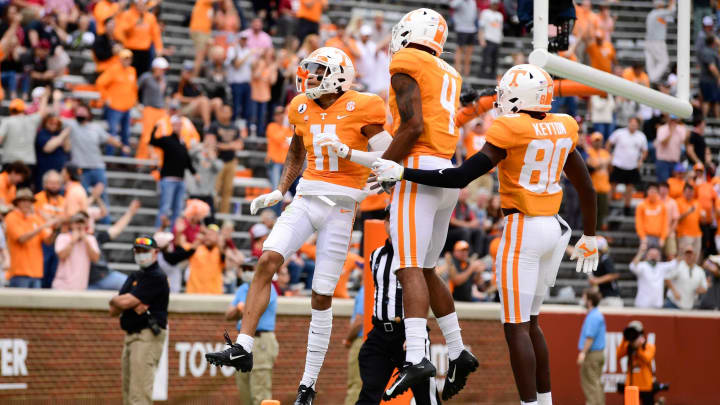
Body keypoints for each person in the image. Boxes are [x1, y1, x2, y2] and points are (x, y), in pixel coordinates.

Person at [372, 62, 598, 405]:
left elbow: (460, 176)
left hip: (523, 228)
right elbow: (586, 187)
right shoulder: (564, 126)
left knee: (516, 328)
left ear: (522, 97)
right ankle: (545, 401)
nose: (502, 101)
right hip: (554, 229)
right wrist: (591, 235)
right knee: (533, 324)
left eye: (508, 94)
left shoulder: (510, 128)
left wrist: (405, 172)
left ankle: (529, 404)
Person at [204, 47, 390, 404]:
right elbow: (295, 152)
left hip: (340, 208)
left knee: (321, 295)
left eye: (319, 72)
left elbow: (389, 154)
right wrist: (279, 189)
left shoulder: (362, 106)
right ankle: (244, 345)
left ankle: (307, 384)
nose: (311, 79)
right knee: (267, 259)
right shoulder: (301, 106)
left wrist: (349, 153)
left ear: (339, 74)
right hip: (305, 198)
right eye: (311, 72)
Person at [357, 208, 441, 404]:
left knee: (425, 397)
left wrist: (416, 333)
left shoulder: (418, 255)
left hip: (408, 333)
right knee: (368, 394)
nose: (392, 225)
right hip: (379, 333)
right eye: (389, 220)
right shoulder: (375, 256)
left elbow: (425, 293)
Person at [109, 236, 169, 405]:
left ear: (156, 253)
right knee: (128, 393)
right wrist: (120, 300)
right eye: (138, 251)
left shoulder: (157, 276)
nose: (141, 255)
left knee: (139, 395)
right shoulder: (135, 276)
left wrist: (124, 301)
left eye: (145, 251)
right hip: (130, 337)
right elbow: (114, 309)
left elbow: (124, 302)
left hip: (146, 337)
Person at [225, 259, 279, 405]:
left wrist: (243, 308)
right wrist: (237, 309)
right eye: (245, 268)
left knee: (260, 392)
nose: (247, 272)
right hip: (243, 342)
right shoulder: (243, 288)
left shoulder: (268, 287)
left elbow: (256, 310)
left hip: (261, 340)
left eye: (250, 268)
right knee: (244, 391)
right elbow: (229, 314)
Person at [5, 188, 60, 288]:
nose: (27, 204)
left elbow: (48, 241)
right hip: (19, 272)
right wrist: (43, 226)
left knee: (36, 303)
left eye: (29, 201)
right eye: (24, 201)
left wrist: (55, 230)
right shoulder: (11, 217)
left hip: (36, 272)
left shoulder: (35, 219)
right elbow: (21, 239)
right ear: (17, 202)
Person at [149, 118, 198, 229]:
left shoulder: (182, 143)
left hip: (180, 180)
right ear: (172, 126)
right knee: (165, 207)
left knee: (178, 209)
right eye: (176, 125)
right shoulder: (167, 140)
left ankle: (173, 233)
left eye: (180, 125)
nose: (178, 127)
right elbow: (152, 141)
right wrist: (155, 128)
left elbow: (186, 160)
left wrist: (194, 172)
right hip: (168, 179)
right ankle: (159, 231)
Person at [88, 200, 141, 290]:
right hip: (85, 283)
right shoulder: (68, 238)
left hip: (104, 276)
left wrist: (130, 212)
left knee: (134, 286)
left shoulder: (95, 237)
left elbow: (115, 230)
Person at [96, 49, 137, 152]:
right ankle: (110, 157)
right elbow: (100, 83)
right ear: (120, 59)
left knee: (126, 133)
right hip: (114, 107)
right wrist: (106, 98)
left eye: (129, 59)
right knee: (113, 132)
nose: (127, 61)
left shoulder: (132, 71)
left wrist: (134, 101)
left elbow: (133, 88)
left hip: (127, 107)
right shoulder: (113, 69)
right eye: (125, 58)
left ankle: (124, 159)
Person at [608, 117, 648, 216]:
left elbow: (645, 151)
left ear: (638, 125)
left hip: (632, 166)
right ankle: (609, 205)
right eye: (631, 123)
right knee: (612, 185)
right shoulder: (619, 133)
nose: (633, 125)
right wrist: (610, 156)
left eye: (635, 124)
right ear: (628, 123)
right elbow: (609, 143)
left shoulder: (641, 136)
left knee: (630, 188)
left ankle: (627, 208)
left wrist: (640, 161)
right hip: (618, 164)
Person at [0, 91, 50, 170]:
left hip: (10, 161)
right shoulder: (31, 120)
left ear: (10, 110)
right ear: (23, 109)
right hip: (28, 162)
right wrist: (45, 98)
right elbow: (42, 112)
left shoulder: (7, 121)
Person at [209, 105, 244, 213]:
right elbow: (211, 143)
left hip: (231, 161)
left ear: (231, 113)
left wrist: (223, 145)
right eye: (222, 111)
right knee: (215, 189)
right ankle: (213, 215)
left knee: (227, 191)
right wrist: (231, 145)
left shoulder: (235, 127)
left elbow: (240, 145)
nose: (224, 113)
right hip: (218, 161)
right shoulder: (214, 126)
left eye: (227, 111)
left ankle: (224, 216)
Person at [114, 0, 163, 77]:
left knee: (143, 75)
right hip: (130, 50)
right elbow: (120, 31)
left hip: (145, 51)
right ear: (135, 4)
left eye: (143, 4)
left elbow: (156, 34)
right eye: (139, 4)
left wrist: (159, 48)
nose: (141, 6)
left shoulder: (150, 17)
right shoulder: (127, 15)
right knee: (129, 74)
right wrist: (134, 24)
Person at [52, 212, 100, 290]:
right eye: (76, 222)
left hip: (80, 287)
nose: (79, 225)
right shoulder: (62, 237)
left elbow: (95, 259)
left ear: (86, 225)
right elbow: (62, 256)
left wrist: (86, 241)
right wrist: (73, 241)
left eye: (82, 222)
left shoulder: (91, 239)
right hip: (61, 286)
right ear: (71, 225)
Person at [136, 57, 169, 160]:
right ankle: (141, 160)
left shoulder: (164, 80)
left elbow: (165, 96)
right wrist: (137, 104)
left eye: (164, 69)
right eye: (161, 69)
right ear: (155, 68)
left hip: (161, 110)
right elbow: (134, 89)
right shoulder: (147, 77)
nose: (162, 71)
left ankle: (157, 161)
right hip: (149, 109)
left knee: (161, 135)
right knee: (147, 135)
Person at [577, 289, 606, 405]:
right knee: (596, 384)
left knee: (590, 385)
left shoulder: (593, 317)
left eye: (584, 298)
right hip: (598, 354)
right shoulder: (597, 315)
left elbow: (590, 337)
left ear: (589, 301)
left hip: (592, 355)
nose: (582, 301)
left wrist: (583, 352)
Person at [616, 321, 656, 405]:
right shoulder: (628, 347)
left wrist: (639, 348)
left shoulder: (649, 346)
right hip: (631, 386)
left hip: (646, 386)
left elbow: (647, 358)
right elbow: (618, 355)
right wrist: (625, 338)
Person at [629, 243, 675, 308]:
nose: (654, 257)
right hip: (643, 304)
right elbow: (632, 266)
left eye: (656, 255)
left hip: (657, 304)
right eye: (651, 255)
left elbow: (675, 263)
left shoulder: (662, 266)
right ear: (647, 255)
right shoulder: (642, 266)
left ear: (659, 256)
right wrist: (641, 252)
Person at [664, 244, 707, 309]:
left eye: (691, 254)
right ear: (684, 255)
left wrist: (700, 290)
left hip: (688, 305)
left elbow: (704, 288)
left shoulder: (700, 270)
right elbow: (666, 278)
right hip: (673, 303)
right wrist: (674, 291)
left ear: (695, 255)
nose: (689, 256)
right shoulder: (678, 266)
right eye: (687, 254)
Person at [34, 114, 70, 190]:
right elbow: (48, 148)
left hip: (59, 173)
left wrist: (65, 135)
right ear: (45, 123)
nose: (54, 125)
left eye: (56, 123)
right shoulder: (42, 133)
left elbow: (67, 149)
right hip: (44, 173)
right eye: (51, 122)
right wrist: (63, 134)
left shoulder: (59, 134)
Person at [186, 224, 224, 294]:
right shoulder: (196, 248)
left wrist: (220, 244)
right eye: (207, 234)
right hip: (194, 293)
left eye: (212, 234)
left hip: (214, 294)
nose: (209, 237)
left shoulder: (220, 251)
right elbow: (182, 252)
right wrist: (198, 240)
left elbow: (227, 261)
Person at [249, 48, 278, 137]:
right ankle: (251, 132)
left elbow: (273, 81)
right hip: (254, 93)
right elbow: (255, 76)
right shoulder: (259, 63)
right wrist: (262, 67)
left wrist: (271, 69)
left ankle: (260, 133)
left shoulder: (273, 66)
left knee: (262, 116)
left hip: (265, 94)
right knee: (253, 115)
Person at [343, 286, 364, 405]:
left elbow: (359, 321)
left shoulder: (366, 289)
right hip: (374, 339)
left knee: (356, 384)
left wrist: (347, 339)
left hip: (361, 340)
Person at [586, 132, 611, 229]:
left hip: (604, 187)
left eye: (599, 141)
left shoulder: (605, 152)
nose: (597, 143)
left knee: (602, 212)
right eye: (595, 140)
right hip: (592, 187)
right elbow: (592, 165)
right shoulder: (588, 152)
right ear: (592, 141)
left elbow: (608, 166)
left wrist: (599, 164)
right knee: (592, 212)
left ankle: (600, 232)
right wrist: (602, 163)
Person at [226, 32, 253, 121]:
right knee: (236, 107)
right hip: (236, 83)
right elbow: (236, 65)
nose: (244, 41)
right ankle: (234, 125)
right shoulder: (232, 50)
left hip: (246, 83)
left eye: (245, 39)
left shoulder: (247, 50)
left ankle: (244, 129)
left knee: (247, 109)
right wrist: (248, 55)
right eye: (242, 39)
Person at [589, 237, 623, 307]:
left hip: (612, 298)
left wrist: (597, 280)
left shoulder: (605, 258)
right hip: (603, 297)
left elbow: (614, 275)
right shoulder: (597, 260)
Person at [654, 115, 686, 183]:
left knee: (674, 184)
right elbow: (663, 143)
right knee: (663, 184)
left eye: (674, 120)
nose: (673, 122)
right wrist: (671, 133)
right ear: (668, 119)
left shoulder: (681, 129)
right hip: (663, 161)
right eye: (671, 120)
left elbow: (684, 141)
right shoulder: (662, 129)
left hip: (675, 161)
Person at [635, 183, 668, 249]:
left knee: (657, 257)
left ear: (657, 193)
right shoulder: (641, 205)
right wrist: (643, 237)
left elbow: (665, 223)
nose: (653, 194)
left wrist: (662, 238)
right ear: (647, 192)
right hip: (646, 237)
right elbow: (639, 223)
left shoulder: (662, 206)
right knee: (644, 256)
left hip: (658, 237)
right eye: (651, 191)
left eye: (654, 191)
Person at [449, 0, 477, 77]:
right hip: (461, 29)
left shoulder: (472, 2)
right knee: (459, 51)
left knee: (469, 52)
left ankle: (466, 73)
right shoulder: (459, 1)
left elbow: (473, 15)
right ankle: (457, 72)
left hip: (472, 29)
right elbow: (452, 5)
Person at [478, 0, 503, 79]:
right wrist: (481, 39)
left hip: (496, 40)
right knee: (486, 59)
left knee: (494, 61)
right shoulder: (485, 13)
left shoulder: (500, 15)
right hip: (488, 39)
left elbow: (500, 28)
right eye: (494, 4)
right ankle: (482, 76)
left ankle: (492, 77)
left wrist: (500, 39)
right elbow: (481, 26)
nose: (495, 6)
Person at [675, 183, 702, 256]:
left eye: (691, 192)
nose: (690, 194)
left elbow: (700, 219)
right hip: (684, 234)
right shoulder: (678, 202)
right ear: (683, 192)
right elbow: (677, 219)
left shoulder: (697, 203)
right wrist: (688, 212)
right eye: (688, 192)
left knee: (695, 257)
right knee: (683, 257)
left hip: (697, 234)